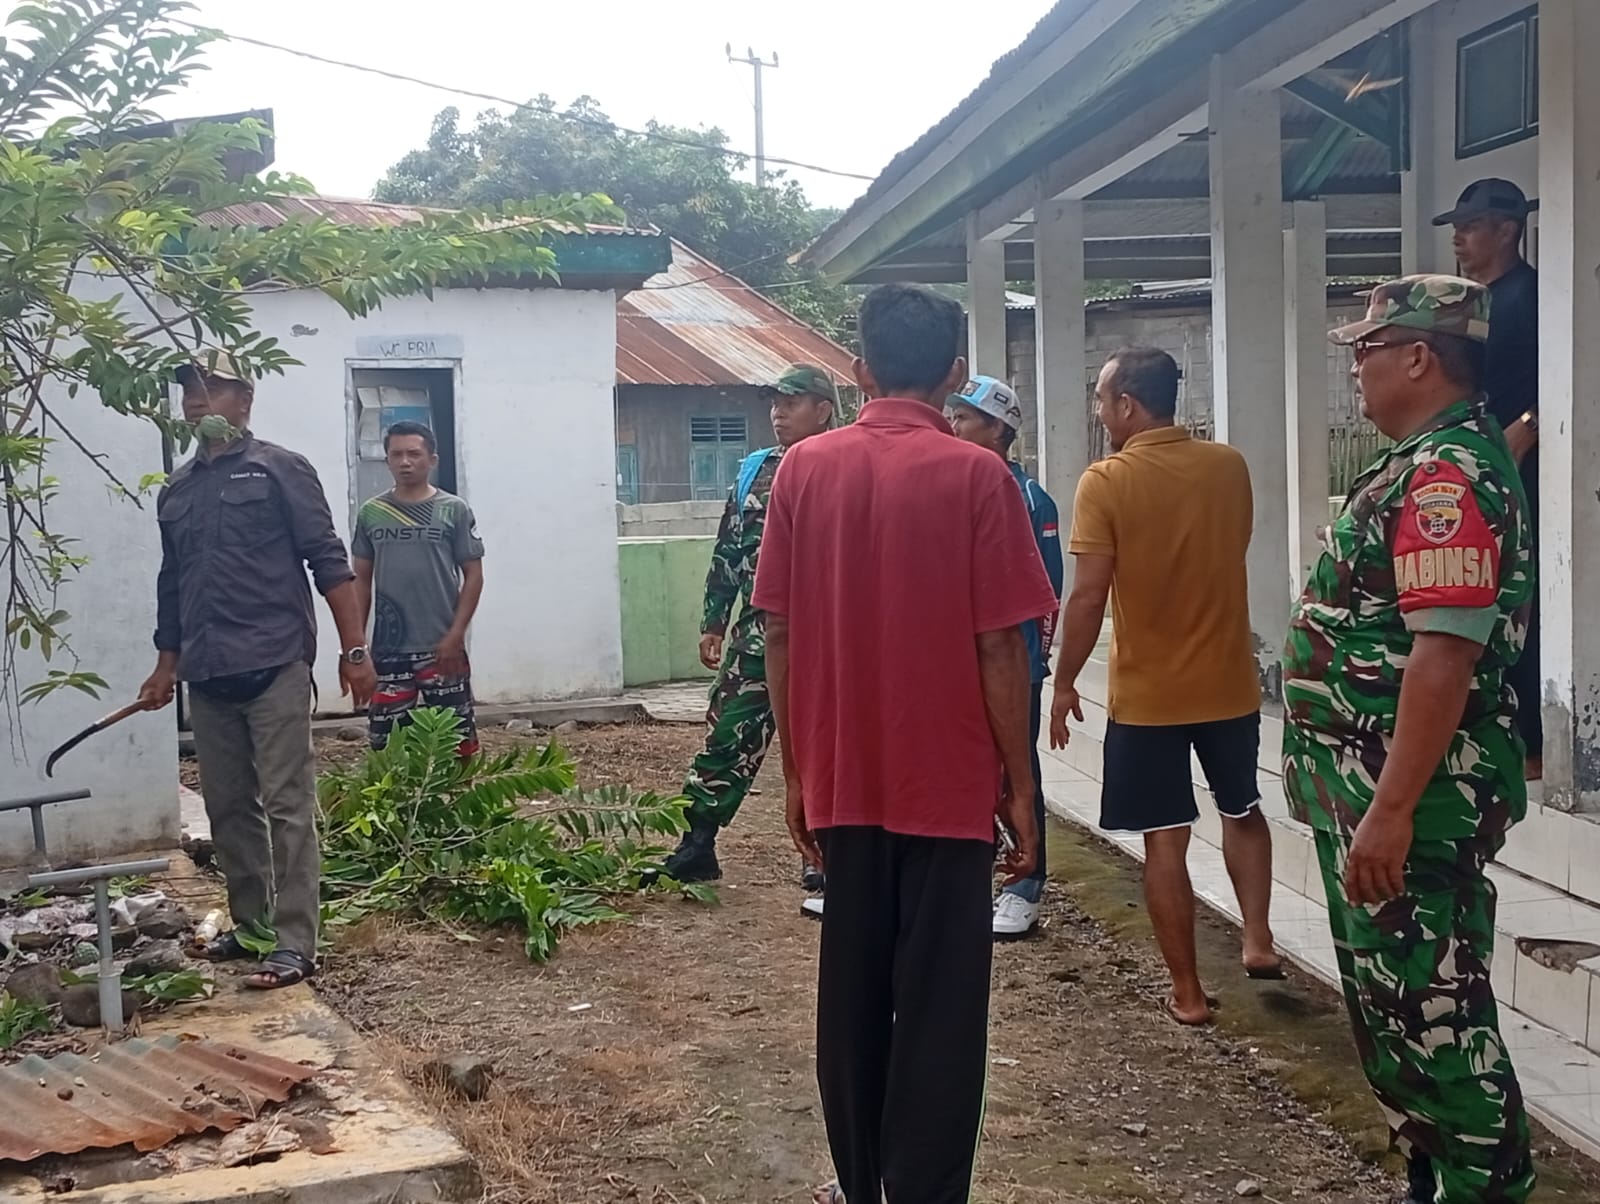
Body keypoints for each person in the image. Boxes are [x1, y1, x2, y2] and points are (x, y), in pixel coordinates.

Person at [753, 284, 1056, 1204]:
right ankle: (923, 1187)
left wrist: (798, 773)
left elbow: (778, 630)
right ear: (955, 374)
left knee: (850, 992)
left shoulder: (802, 470)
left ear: (858, 370)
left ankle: (861, 1182)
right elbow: (1000, 644)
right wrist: (1018, 785)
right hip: (949, 786)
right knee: (942, 1005)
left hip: (846, 778)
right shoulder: (980, 477)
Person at [1285, 276, 1535, 1204]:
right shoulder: (1423, 461)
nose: (1356, 367)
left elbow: (1444, 655)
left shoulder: (1445, 477)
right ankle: (1434, 1175)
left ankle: (1485, 1186)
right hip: (1376, 791)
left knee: (1436, 1016)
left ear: (1420, 356)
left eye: (1368, 349)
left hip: (1418, 800)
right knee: (1395, 1010)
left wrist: (1389, 813)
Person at [1049, 347, 1280, 1027]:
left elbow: (1088, 595)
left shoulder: (1106, 481)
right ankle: (1258, 939)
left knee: (1165, 838)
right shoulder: (1228, 467)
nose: (1099, 412)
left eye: (1101, 400)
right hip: (1229, 685)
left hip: (1150, 696)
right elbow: (1229, 549)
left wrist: (1064, 681)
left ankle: (1188, 993)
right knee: (1242, 808)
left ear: (1127, 404)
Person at [138, 350, 375, 990]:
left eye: (211, 386)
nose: (196, 397)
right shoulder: (177, 489)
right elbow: (172, 582)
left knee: (287, 805)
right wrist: (165, 666)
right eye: (188, 388)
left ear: (244, 401)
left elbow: (329, 562)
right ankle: (251, 927)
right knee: (227, 807)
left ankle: (296, 943)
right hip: (207, 669)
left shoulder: (280, 469)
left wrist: (354, 651)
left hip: (274, 660)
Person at [657, 364, 838, 886]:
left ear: (823, 410)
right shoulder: (756, 469)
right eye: (775, 403)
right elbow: (730, 547)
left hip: (827, 634)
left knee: (824, 744)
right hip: (758, 634)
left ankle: (821, 854)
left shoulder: (845, 465)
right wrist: (714, 620)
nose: (778, 413)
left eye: (791, 403)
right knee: (727, 733)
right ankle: (697, 844)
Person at [946, 375, 1064, 938]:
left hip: (1013, 666)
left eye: (965, 418)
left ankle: (1026, 885)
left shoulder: (1029, 498)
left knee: (1018, 770)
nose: (953, 426)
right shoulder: (954, 487)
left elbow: (1046, 593)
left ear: (998, 429)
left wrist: (1033, 665)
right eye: (953, 416)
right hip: (960, 665)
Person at [1433, 178, 1542, 779]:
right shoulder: (1469, 304)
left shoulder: (1535, 296)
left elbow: (1578, 364)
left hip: (1526, 470)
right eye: (1457, 227)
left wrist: (1529, 425)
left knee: (1526, 597)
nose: (1459, 238)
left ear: (1507, 230)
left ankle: (1535, 741)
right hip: (1473, 470)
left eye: (1471, 226)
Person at [352, 420, 485, 756]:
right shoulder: (371, 513)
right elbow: (360, 581)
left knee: (457, 742)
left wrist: (456, 635)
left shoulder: (453, 510)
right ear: (387, 460)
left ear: (432, 459)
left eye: (413, 454)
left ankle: (459, 792)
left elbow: (473, 576)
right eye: (396, 454)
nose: (405, 462)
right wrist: (357, 644)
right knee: (386, 745)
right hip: (388, 650)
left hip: (441, 648)